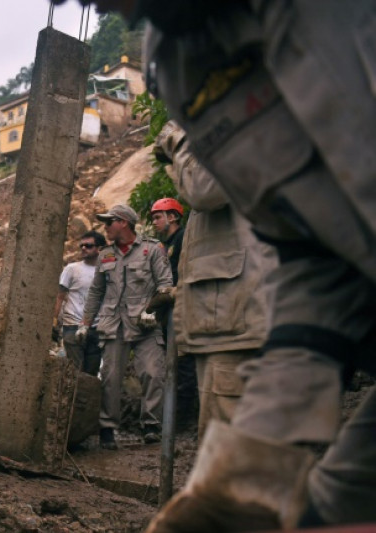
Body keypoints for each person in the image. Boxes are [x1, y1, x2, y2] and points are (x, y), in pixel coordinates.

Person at [55, 1, 376, 529]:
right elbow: (313, 262)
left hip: (229, 320)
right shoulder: (180, 58)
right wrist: (253, 463)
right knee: (317, 511)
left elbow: (205, 190)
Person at [156, 121, 277, 440]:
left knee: (229, 447)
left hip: (240, 319)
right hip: (234, 316)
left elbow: (204, 188)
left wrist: (178, 139)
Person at [80, 204, 173, 450]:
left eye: (109, 222)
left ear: (123, 222)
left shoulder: (152, 249)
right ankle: (108, 428)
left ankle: (151, 425)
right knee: (110, 378)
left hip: (146, 325)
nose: (105, 228)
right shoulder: (105, 255)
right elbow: (96, 292)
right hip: (113, 325)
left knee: (153, 373)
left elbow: (166, 286)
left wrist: (152, 311)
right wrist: (85, 323)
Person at [150, 197, 196, 429]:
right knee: (174, 364)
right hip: (170, 309)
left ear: (173, 217)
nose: (155, 222)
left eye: (158, 217)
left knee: (185, 362)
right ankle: (176, 418)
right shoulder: (165, 245)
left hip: (185, 308)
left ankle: (183, 421)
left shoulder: (184, 238)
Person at [54, 231, 106, 376]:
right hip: (72, 326)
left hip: (97, 327)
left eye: (88, 246)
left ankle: (84, 399)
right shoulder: (72, 269)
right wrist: (54, 322)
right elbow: (59, 296)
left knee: (91, 374)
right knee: (75, 372)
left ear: (100, 249)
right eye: (81, 245)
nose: (83, 248)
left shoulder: (106, 271)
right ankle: (71, 399)